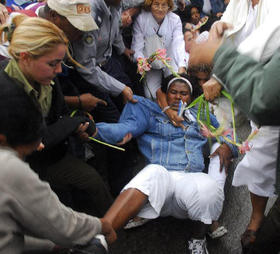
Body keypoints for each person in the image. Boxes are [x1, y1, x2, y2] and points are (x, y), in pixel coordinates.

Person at [95, 74, 238, 253]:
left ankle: (197, 238)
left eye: (184, 93)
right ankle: (100, 237)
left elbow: (230, 133)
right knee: (152, 172)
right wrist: (95, 130)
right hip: (160, 183)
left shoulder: (200, 114)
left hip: (190, 179)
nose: (178, 97)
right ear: (165, 94)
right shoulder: (151, 112)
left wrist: (228, 146)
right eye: (173, 92)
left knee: (208, 188)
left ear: (191, 97)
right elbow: (123, 129)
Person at [0, 15, 113, 217]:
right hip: (22, 174)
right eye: (53, 64)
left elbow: (60, 113)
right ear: (25, 57)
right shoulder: (8, 95)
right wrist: (75, 122)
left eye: (61, 63)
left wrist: (80, 123)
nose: (59, 70)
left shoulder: (45, 78)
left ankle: (112, 223)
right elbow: (39, 139)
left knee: (92, 181)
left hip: (50, 156)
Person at [192, 1, 280, 251]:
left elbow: (267, 41)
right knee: (258, 157)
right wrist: (216, 36)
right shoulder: (239, 3)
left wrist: (219, 70)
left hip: (264, 82)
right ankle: (256, 217)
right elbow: (223, 31)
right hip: (244, 81)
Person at [0, 80, 116, 254]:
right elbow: (63, 226)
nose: (59, 70)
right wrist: (101, 225)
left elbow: (7, 233)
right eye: (21, 151)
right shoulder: (7, 167)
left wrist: (50, 246)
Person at [131, 0, 186, 100]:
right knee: (150, 95)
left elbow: (178, 43)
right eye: (156, 4)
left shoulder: (175, 19)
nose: (160, 9)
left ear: (169, 7)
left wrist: (181, 65)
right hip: (151, 64)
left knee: (175, 89)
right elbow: (137, 47)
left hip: (170, 59)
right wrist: (141, 61)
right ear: (150, 5)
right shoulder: (142, 19)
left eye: (164, 5)